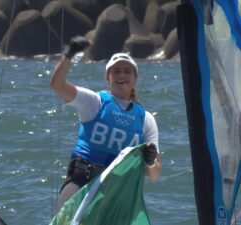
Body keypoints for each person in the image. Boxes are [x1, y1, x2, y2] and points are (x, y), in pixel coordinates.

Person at [50, 36, 161, 211]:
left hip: (117, 191)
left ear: (135, 79)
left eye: (127, 71)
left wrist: (150, 162)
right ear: (108, 78)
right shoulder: (93, 102)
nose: (121, 75)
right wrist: (69, 54)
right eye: (116, 71)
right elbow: (57, 85)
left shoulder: (146, 120)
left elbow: (154, 174)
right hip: (82, 181)